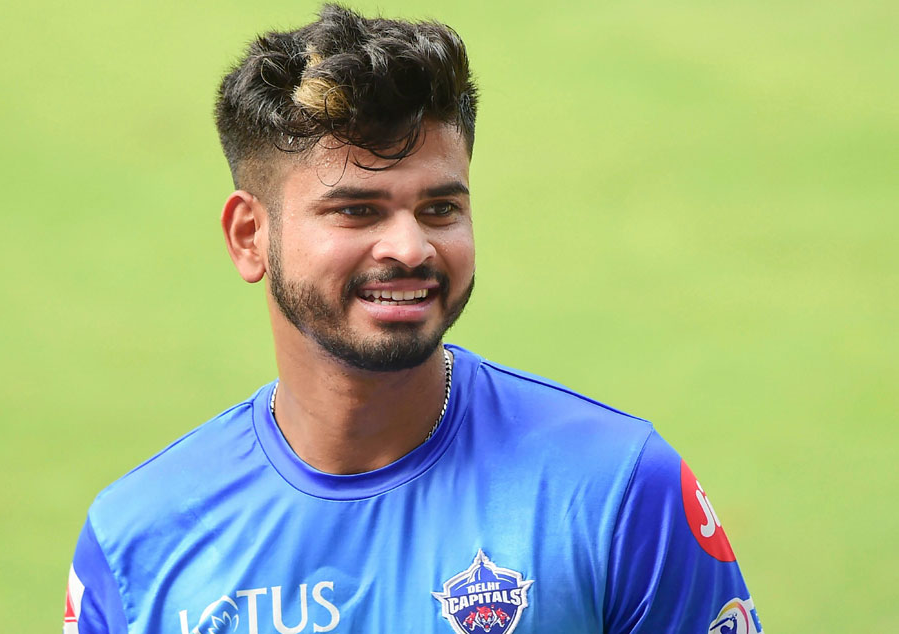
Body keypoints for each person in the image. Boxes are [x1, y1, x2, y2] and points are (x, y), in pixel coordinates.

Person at [64, 5, 761, 634]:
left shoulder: (618, 490)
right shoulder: (137, 543)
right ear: (251, 236)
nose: (411, 247)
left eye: (440, 208)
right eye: (356, 210)